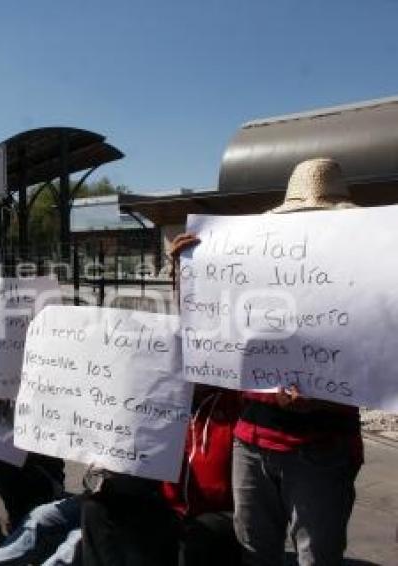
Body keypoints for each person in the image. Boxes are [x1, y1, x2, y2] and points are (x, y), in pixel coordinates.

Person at [171, 158, 363, 566]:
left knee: (317, 558)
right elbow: (210, 331)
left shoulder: (362, 279)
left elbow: (372, 365)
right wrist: (187, 275)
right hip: (251, 437)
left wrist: (320, 398)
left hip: (321, 445)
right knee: (254, 553)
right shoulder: (262, 266)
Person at [81, 387, 243, 566]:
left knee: (199, 533)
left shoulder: (237, 405)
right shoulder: (159, 396)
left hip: (217, 517)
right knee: (96, 508)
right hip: (167, 508)